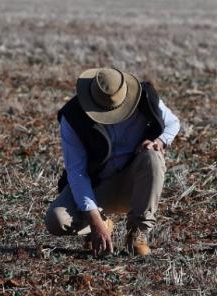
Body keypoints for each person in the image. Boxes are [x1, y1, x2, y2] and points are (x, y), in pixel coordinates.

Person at [45, 67, 180, 256]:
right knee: (56, 220)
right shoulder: (73, 116)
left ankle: (138, 233)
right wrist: (95, 221)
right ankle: (102, 222)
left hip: (134, 183)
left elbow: (173, 123)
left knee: (153, 156)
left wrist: (159, 141)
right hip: (98, 186)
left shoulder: (145, 98)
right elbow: (77, 173)